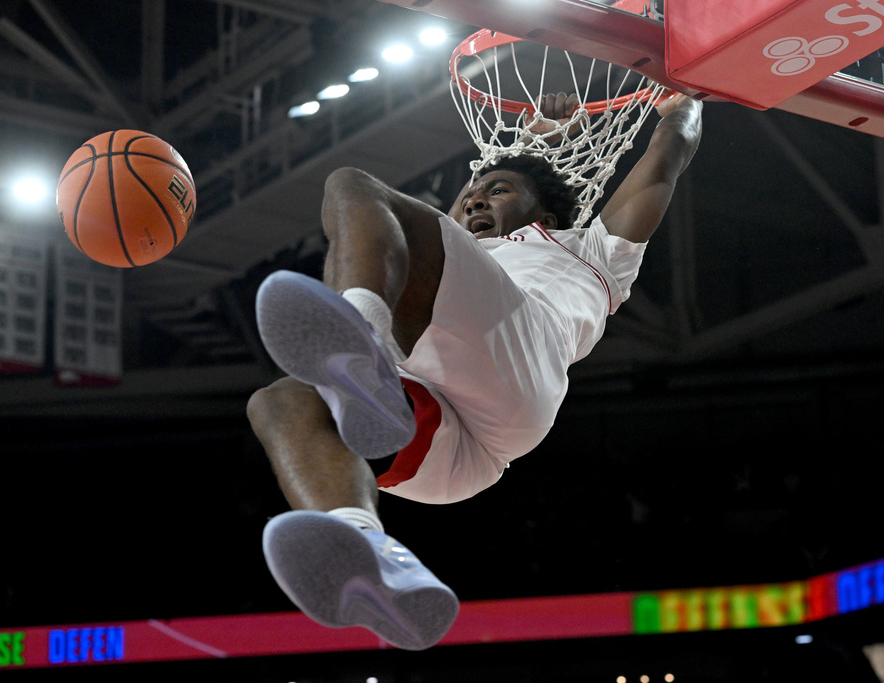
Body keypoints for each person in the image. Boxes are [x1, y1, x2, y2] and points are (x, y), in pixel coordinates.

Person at [247, 92, 703, 650]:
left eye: (498, 189)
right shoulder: (458, 262)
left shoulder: (593, 248)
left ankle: (361, 348)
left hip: (518, 371)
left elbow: (670, 152)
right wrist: (539, 140)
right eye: (471, 194)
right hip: (446, 456)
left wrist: (685, 101)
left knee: (352, 185)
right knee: (280, 401)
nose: (475, 201)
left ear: (547, 216)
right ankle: (373, 552)